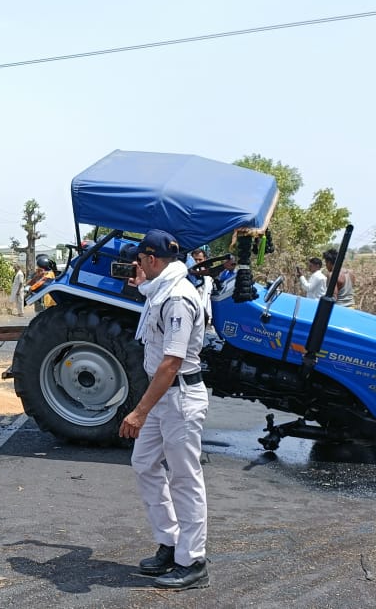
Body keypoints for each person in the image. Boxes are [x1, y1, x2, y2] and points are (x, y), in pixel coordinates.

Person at [119, 229, 210, 590]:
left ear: (152, 259)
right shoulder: (161, 289)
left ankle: (193, 561)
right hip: (164, 399)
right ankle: (171, 543)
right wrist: (141, 283)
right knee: (144, 464)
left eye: (141, 260)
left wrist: (139, 411)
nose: (138, 266)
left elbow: (171, 362)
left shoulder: (176, 298)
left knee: (185, 479)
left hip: (179, 398)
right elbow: (151, 294)